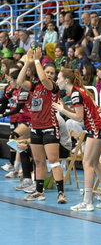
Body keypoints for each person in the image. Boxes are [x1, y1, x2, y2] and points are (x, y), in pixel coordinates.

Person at [53, 67, 101, 211]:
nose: (57, 81)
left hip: (96, 128)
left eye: (59, 78)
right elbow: (81, 114)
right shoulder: (77, 91)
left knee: (87, 162)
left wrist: (62, 110)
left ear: (66, 80)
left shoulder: (75, 94)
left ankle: (87, 201)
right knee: (94, 163)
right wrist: (66, 108)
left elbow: (79, 118)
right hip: (98, 127)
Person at [17, 48, 67, 204]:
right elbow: (19, 81)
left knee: (53, 161)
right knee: (38, 162)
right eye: (48, 72)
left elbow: (45, 80)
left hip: (49, 127)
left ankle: (61, 193)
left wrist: (38, 61)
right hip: (36, 128)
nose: (50, 74)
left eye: (52, 72)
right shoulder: (34, 87)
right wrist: (27, 63)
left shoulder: (52, 87)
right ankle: (39, 191)